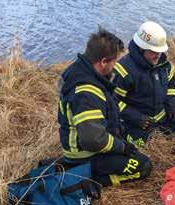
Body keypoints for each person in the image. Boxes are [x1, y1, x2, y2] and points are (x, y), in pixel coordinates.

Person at [58, 28, 152, 187]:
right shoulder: (86, 93)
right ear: (102, 62)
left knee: (133, 150)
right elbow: (93, 139)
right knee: (143, 165)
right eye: (115, 61)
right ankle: (92, 181)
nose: (116, 65)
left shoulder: (82, 72)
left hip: (88, 146)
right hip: (84, 155)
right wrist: (121, 147)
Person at [112, 21, 175, 147]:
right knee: (149, 144)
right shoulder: (123, 70)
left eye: (160, 51)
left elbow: (171, 86)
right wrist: (135, 117)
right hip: (135, 123)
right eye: (153, 52)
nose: (158, 55)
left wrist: (171, 103)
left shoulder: (164, 65)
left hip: (162, 118)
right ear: (141, 48)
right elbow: (112, 101)